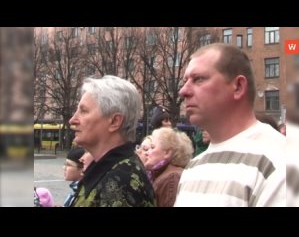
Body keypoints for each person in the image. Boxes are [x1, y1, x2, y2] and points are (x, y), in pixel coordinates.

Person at [175, 43, 286, 207]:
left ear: (238, 87)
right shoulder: (193, 166)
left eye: (198, 79)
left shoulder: (279, 160)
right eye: (185, 81)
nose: (183, 91)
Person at [69, 75, 156, 207]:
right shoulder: (111, 170)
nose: (72, 120)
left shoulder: (121, 182)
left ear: (115, 121)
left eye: (84, 111)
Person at [144, 127, 193, 207]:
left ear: (167, 152)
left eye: (152, 147)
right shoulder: (164, 174)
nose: (147, 152)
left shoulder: (172, 178)